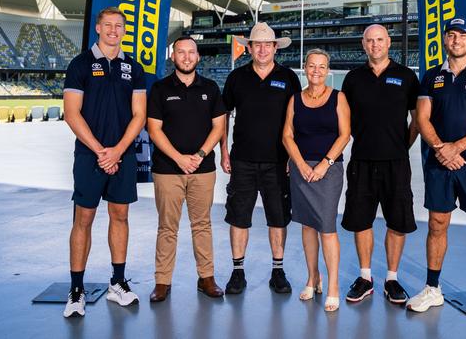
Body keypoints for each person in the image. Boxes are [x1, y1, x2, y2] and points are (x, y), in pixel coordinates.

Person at [406, 17, 466, 328]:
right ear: (445, 40)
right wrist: (441, 148)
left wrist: (457, 148)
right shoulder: (432, 76)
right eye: (450, 35)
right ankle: (433, 289)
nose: (456, 40)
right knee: (437, 225)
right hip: (440, 163)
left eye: (461, 35)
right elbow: (422, 118)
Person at [62, 7, 146, 317]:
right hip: (89, 155)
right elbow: (72, 114)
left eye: (119, 26)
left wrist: (119, 150)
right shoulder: (80, 64)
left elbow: (139, 115)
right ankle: (76, 290)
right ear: (98, 27)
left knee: (120, 216)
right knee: (82, 219)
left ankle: (118, 283)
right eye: (108, 25)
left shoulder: (133, 68)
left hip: (122, 156)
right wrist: (101, 151)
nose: (113, 30)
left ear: (124, 30)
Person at [220, 22, 302, 294]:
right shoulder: (237, 78)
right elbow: (223, 118)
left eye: (268, 44)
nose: (263, 49)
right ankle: (238, 271)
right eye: (258, 44)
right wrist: (223, 150)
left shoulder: (289, 78)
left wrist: (294, 156)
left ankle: (278, 271)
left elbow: (297, 120)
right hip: (242, 159)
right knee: (238, 217)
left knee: (278, 218)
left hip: (278, 161)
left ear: (275, 47)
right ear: (250, 48)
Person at [340, 24, 420, 304]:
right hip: (361, 160)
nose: (375, 45)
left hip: (396, 162)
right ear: (363, 44)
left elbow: (417, 120)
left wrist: (402, 146)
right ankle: (365, 277)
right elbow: (344, 122)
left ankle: (392, 278)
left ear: (389, 43)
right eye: (370, 40)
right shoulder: (352, 79)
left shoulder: (407, 76)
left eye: (380, 40)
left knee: (397, 221)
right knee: (361, 220)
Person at [146, 36, 227, 302]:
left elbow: (219, 127)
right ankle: (162, 281)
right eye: (181, 52)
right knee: (167, 227)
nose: (187, 57)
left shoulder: (211, 88)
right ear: (173, 56)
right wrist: (179, 158)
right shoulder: (159, 89)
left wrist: (200, 154)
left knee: (202, 225)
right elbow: (154, 129)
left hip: (203, 170)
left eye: (191, 52)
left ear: (198, 56)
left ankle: (206, 278)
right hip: (168, 170)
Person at [282, 49, 351, 312]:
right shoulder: (295, 99)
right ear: (305, 68)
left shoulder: (338, 97)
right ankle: (313, 277)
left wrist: (324, 164)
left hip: (329, 169)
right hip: (301, 169)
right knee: (307, 225)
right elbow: (287, 135)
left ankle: (332, 285)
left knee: (326, 227)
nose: (317, 71)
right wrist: (299, 164)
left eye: (322, 67)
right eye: (312, 66)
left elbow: (345, 134)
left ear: (328, 71)